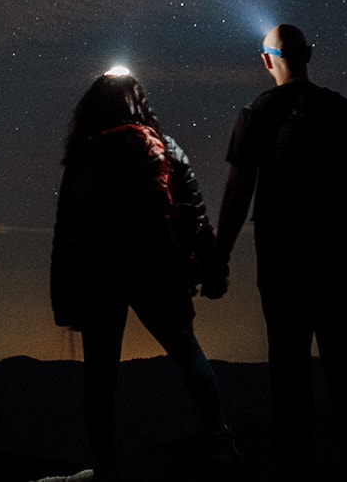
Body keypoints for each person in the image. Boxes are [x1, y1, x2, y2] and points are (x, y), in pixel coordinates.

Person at [213, 25, 347, 450]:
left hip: (283, 256)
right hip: (339, 253)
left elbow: (239, 191)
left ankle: (297, 458)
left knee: (289, 360)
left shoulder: (259, 112)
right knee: (345, 354)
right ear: (307, 55)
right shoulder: (343, 110)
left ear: (266, 60)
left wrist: (220, 256)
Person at [50, 69, 234, 470]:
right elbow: (197, 213)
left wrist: (63, 297)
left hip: (100, 276)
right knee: (188, 355)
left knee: (100, 377)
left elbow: (67, 232)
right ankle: (221, 440)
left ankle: (106, 466)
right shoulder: (165, 148)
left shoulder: (83, 156)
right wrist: (212, 266)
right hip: (159, 269)